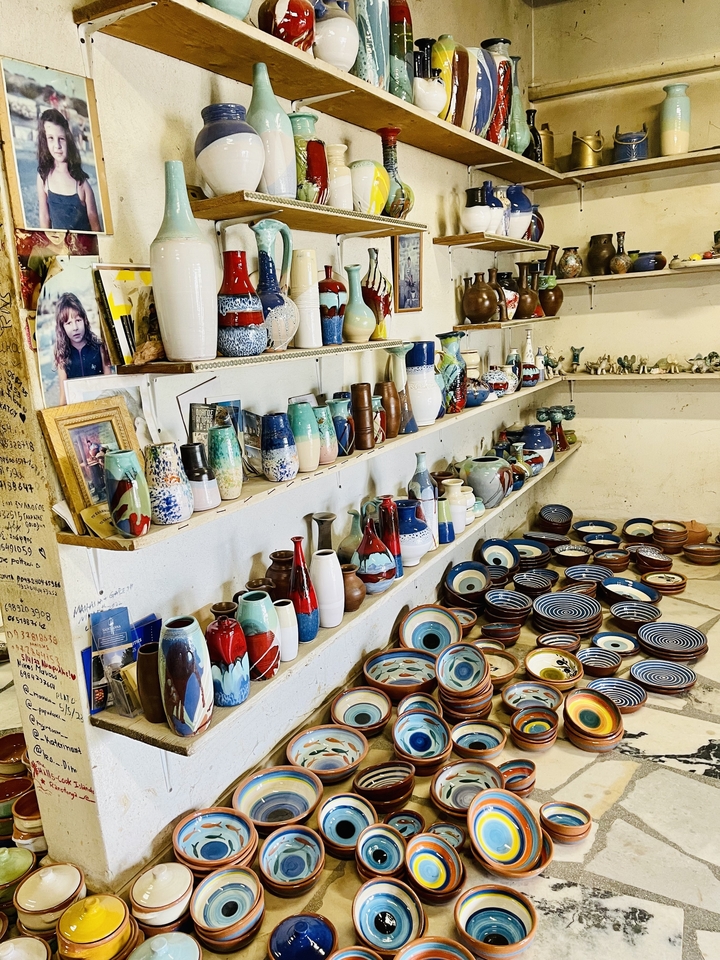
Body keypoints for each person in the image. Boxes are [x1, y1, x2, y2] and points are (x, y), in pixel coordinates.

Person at [36, 108, 102, 232]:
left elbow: (96, 228)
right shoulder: (43, 177)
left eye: (61, 138)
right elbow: (44, 217)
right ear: (44, 140)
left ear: (69, 140)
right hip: (59, 248)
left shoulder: (82, 185)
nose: (57, 146)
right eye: (51, 138)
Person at [53, 291, 110, 403]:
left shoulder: (100, 349)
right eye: (68, 323)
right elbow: (63, 395)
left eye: (78, 320)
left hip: (101, 408)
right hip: (77, 410)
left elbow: (109, 386)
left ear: (85, 320)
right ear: (62, 327)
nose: (75, 327)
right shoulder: (62, 355)